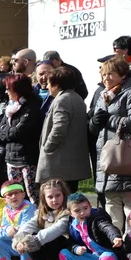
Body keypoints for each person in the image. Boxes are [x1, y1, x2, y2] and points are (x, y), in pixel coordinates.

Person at [90, 56, 131, 231]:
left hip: (125, 155)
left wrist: (109, 119)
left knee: (130, 202)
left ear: (122, 75)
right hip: (106, 157)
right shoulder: (102, 94)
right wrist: (94, 122)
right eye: (103, 74)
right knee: (111, 203)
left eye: (110, 74)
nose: (106, 78)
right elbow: (95, 128)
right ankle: (115, 241)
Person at [37, 66, 90, 194]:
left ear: (56, 84)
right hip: (71, 163)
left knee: (58, 199)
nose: (47, 86)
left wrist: (47, 146)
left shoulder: (62, 100)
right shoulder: (77, 98)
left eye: (49, 83)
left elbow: (59, 127)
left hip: (59, 163)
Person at [15, 179, 73, 260]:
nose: (54, 200)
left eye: (58, 195)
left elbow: (55, 230)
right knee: (30, 236)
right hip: (48, 245)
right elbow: (29, 225)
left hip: (68, 247)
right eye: (50, 197)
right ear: (44, 198)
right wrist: (20, 240)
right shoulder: (43, 213)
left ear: (64, 195)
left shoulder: (68, 212)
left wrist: (32, 241)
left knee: (52, 239)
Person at [0, 73, 42, 199]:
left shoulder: (32, 107)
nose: (6, 92)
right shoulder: (10, 107)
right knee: (15, 196)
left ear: (18, 89)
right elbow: (1, 127)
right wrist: (4, 133)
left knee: (32, 195)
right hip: (11, 159)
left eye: (8, 89)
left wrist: (1, 136)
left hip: (27, 159)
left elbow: (20, 132)